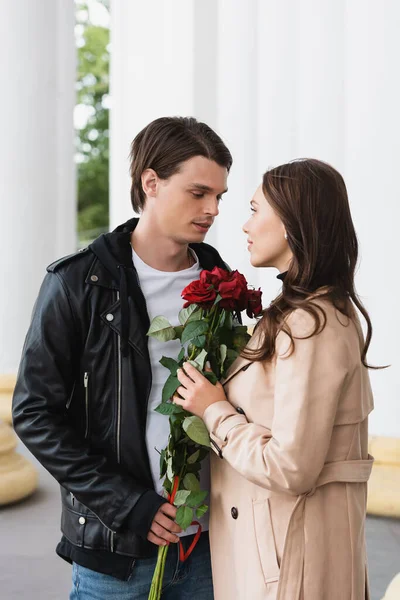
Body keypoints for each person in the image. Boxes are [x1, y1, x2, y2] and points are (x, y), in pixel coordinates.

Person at [12, 116, 232, 599]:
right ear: (150, 182)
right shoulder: (77, 283)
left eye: (220, 196)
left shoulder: (222, 279)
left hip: (211, 543)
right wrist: (129, 504)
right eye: (199, 193)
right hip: (115, 551)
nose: (213, 209)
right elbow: (34, 413)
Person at [173, 158, 376, 600]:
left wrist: (214, 411)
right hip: (281, 548)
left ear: (289, 223)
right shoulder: (302, 314)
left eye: (253, 209)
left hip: (290, 560)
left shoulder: (312, 323)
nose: (243, 224)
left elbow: (291, 466)